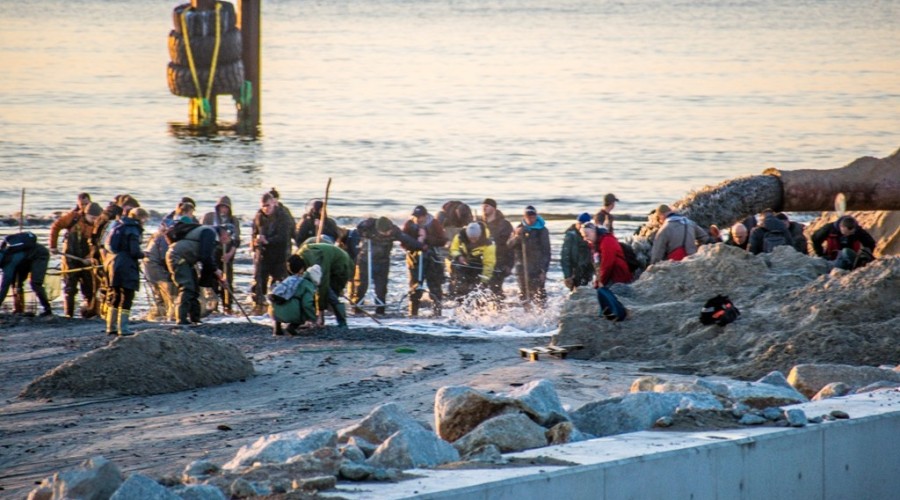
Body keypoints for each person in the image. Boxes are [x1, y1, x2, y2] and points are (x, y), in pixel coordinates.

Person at [350, 216, 421, 314]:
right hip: (365, 261)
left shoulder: (394, 230)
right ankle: (357, 309)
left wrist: (421, 246)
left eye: (389, 231)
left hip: (383, 262)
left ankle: (380, 311)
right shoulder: (368, 226)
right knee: (361, 286)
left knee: (381, 288)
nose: (387, 234)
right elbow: (355, 232)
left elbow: (406, 239)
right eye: (385, 232)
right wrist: (364, 234)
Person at [166, 221, 228, 325]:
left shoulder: (209, 233)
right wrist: (216, 271)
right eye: (228, 236)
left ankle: (195, 318)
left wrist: (216, 276)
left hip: (186, 260)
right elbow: (205, 257)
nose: (227, 240)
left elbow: (207, 261)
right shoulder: (209, 232)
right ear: (224, 232)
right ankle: (181, 319)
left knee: (195, 289)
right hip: (178, 258)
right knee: (187, 288)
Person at [49, 201, 103, 318]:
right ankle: (69, 315)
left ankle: (90, 313)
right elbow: (56, 226)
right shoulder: (73, 218)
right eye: (92, 217)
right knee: (70, 288)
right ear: (85, 213)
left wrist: (90, 257)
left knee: (89, 288)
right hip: (70, 257)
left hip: (87, 259)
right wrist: (53, 246)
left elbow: (98, 244)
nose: (94, 220)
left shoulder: (100, 224)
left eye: (96, 218)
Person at [104, 208, 149, 335]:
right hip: (127, 265)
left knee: (116, 295)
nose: (145, 222)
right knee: (127, 296)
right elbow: (134, 251)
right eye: (145, 219)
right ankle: (123, 328)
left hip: (114, 263)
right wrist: (143, 254)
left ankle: (110, 326)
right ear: (140, 218)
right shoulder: (133, 229)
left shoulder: (119, 225)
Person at [251, 191, 296, 315]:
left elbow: (284, 237)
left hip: (280, 255)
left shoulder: (283, 216)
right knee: (259, 284)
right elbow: (254, 233)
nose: (266, 209)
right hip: (263, 255)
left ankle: (282, 311)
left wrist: (267, 241)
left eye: (268, 206)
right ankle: (259, 309)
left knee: (282, 284)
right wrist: (254, 243)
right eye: (263, 206)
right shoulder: (259, 216)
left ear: (274, 204)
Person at [401, 205, 448, 317]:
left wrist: (427, 239)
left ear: (425, 216)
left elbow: (442, 241)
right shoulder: (409, 225)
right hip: (414, 260)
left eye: (420, 217)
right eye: (416, 216)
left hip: (432, 259)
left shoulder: (434, 224)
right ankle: (413, 313)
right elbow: (403, 243)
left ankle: (437, 313)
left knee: (435, 287)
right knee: (415, 287)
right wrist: (417, 242)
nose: (418, 219)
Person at [296, 242, 354, 328]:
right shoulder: (300, 256)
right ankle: (309, 319)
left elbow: (323, 286)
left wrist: (321, 311)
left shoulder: (318, 262)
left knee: (330, 294)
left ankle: (342, 322)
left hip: (341, 266)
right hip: (329, 261)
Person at [202, 196, 241, 314]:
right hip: (213, 250)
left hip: (227, 252)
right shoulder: (209, 217)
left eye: (226, 208)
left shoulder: (233, 220)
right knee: (213, 278)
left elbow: (236, 240)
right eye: (221, 207)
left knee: (227, 278)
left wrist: (230, 254)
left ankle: (227, 305)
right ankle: (213, 306)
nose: (223, 210)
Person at [508, 205, 551, 309]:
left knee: (540, 292)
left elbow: (546, 252)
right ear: (524, 216)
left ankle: (542, 313)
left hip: (537, 266)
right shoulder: (519, 228)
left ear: (536, 216)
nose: (530, 219)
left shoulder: (542, 230)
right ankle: (527, 313)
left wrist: (543, 270)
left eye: (532, 216)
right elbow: (509, 245)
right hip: (522, 266)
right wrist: (517, 237)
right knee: (524, 293)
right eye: (528, 217)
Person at [0, 232, 53, 316]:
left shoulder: (9, 264)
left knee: (35, 283)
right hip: (25, 259)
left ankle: (48, 310)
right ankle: (19, 310)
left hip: (40, 255)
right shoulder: (4, 254)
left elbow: (4, 287)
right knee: (16, 282)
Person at [269, 255, 319, 336]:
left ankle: (277, 328)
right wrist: (313, 317)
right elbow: (307, 304)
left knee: (281, 302)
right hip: (291, 314)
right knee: (301, 306)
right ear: (302, 269)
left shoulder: (286, 281)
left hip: (274, 313)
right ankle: (292, 327)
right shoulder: (304, 283)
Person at [448, 221, 496, 303]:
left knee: (477, 291)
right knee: (459, 282)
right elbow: (453, 249)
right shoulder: (459, 237)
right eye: (471, 238)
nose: (473, 240)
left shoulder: (489, 244)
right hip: (463, 264)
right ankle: (459, 298)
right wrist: (459, 256)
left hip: (479, 267)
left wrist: (484, 281)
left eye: (475, 238)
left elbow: (489, 264)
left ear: (480, 235)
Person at [811, 215, 877, 270]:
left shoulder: (858, 231)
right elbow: (815, 238)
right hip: (831, 258)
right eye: (845, 233)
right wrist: (820, 254)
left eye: (850, 234)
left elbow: (870, 243)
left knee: (846, 252)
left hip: (851, 261)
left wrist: (864, 255)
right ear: (841, 227)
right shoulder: (829, 228)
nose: (846, 235)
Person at [143, 219, 177, 322]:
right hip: (155, 267)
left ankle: (159, 313)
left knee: (158, 293)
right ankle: (169, 316)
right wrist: (171, 273)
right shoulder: (163, 239)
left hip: (149, 266)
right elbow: (164, 257)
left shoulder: (156, 237)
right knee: (168, 293)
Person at [480, 198, 514, 299]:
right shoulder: (479, 224)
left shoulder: (504, 225)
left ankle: (499, 312)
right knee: (480, 290)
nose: (484, 208)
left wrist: (509, 264)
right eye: (483, 206)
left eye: (487, 206)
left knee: (496, 290)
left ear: (494, 208)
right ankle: (482, 313)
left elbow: (510, 246)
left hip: (498, 261)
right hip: (481, 263)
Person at [580, 223, 633, 287]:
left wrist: (598, 284)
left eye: (586, 235)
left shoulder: (607, 240)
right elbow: (597, 266)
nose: (585, 239)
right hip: (609, 279)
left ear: (594, 232)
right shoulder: (594, 245)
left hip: (619, 278)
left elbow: (607, 264)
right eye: (583, 236)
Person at [560, 212, 595, 291]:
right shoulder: (571, 235)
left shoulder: (589, 233)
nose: (582, 226)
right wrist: (567, 275)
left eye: (584, 224)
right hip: (575, 271)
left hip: (587, 269)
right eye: (580, 223)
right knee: (576, 293)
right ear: (577, 223)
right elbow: (565, 256)